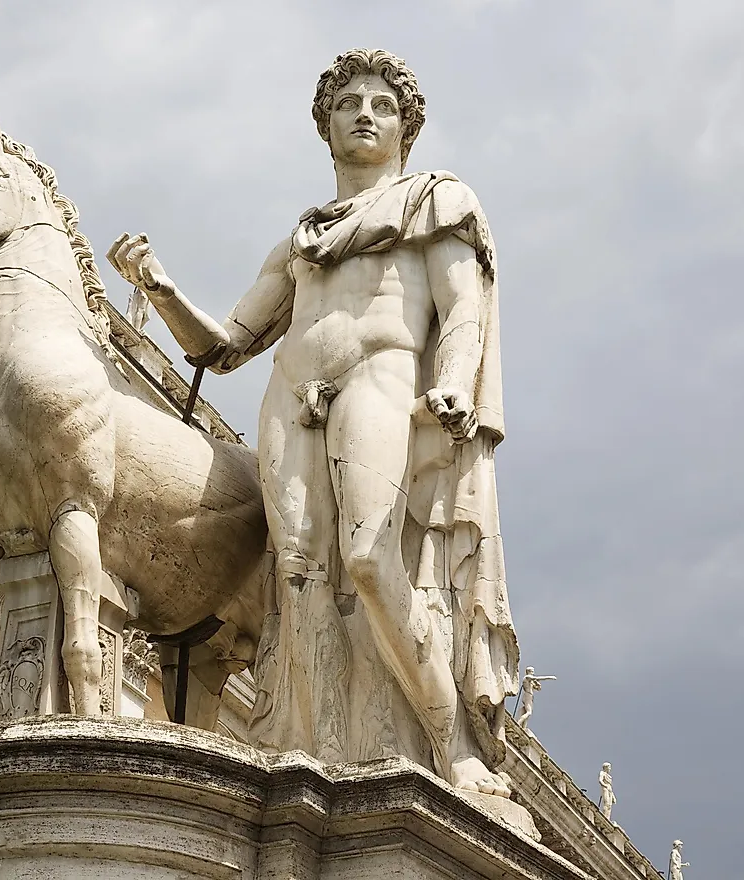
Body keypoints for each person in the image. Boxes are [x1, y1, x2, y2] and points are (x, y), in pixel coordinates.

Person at [109, 48, 517, 795]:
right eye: (348, 104)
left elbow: (464, 310)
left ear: (406, 129)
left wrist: (454, 384)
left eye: (382, 105)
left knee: (366, 559)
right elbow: (226, 345)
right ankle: (310, 744)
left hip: (382, 374)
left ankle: (447, 739)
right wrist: (161, 289)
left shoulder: (436, 201)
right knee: (294, 577)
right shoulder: (299, 240)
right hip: (291, 394)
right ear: (326, 130)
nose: (365, 113)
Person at [515, 665, 556, 730]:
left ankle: (524, 727)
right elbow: (537, 678)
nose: (533, 673)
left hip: (530, 696)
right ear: (529, 671)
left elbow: (538, 689)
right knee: (529, 712)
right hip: (527, 695)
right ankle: (518, 723)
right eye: (532, 671)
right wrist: (549, 677)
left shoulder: (531, 681)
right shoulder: (527, 677)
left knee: (526, 711)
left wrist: (538, 685)